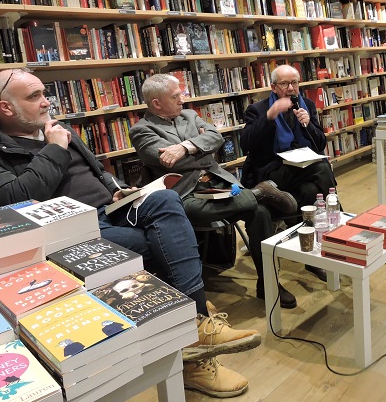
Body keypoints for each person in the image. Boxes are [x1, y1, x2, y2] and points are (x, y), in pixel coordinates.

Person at [0, 68, 258, 398]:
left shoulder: (58, 129)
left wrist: (116, 189)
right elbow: (8, 203)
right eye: (34, 97)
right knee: (147, 242)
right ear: (6, 108)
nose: (46, 102)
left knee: (166, 199)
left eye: (44, 93)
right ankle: (190, 334)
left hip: (110, 210)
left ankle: (195, 321)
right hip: (66, 231)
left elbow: (98, 170)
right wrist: (55, 149)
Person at [128, 74, 300, 309]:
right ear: (156, 103)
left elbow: (216, 138)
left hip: (218, 182)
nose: (182, 100)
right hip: (183, 194)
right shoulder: (141, 130)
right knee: (240, 204)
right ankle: (259, 192)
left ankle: (268, 282)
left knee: (259, 213)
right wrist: (201, 151)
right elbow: (166, 161)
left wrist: (184, 147)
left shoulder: (189, 115)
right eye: (176, 96)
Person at [240, 64, 337, 208]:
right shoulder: (258, 110)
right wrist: (269, 116)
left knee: (309, 191)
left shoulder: (307, 105)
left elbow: (320, 144)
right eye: (284, 84)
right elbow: (245, 144)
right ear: (273, 87)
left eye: (294, 83)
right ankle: (337, 214)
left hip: (303, 168)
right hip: (272, 171)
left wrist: (308, 124)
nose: (291, 88)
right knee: (321, 167)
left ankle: (306, 227)